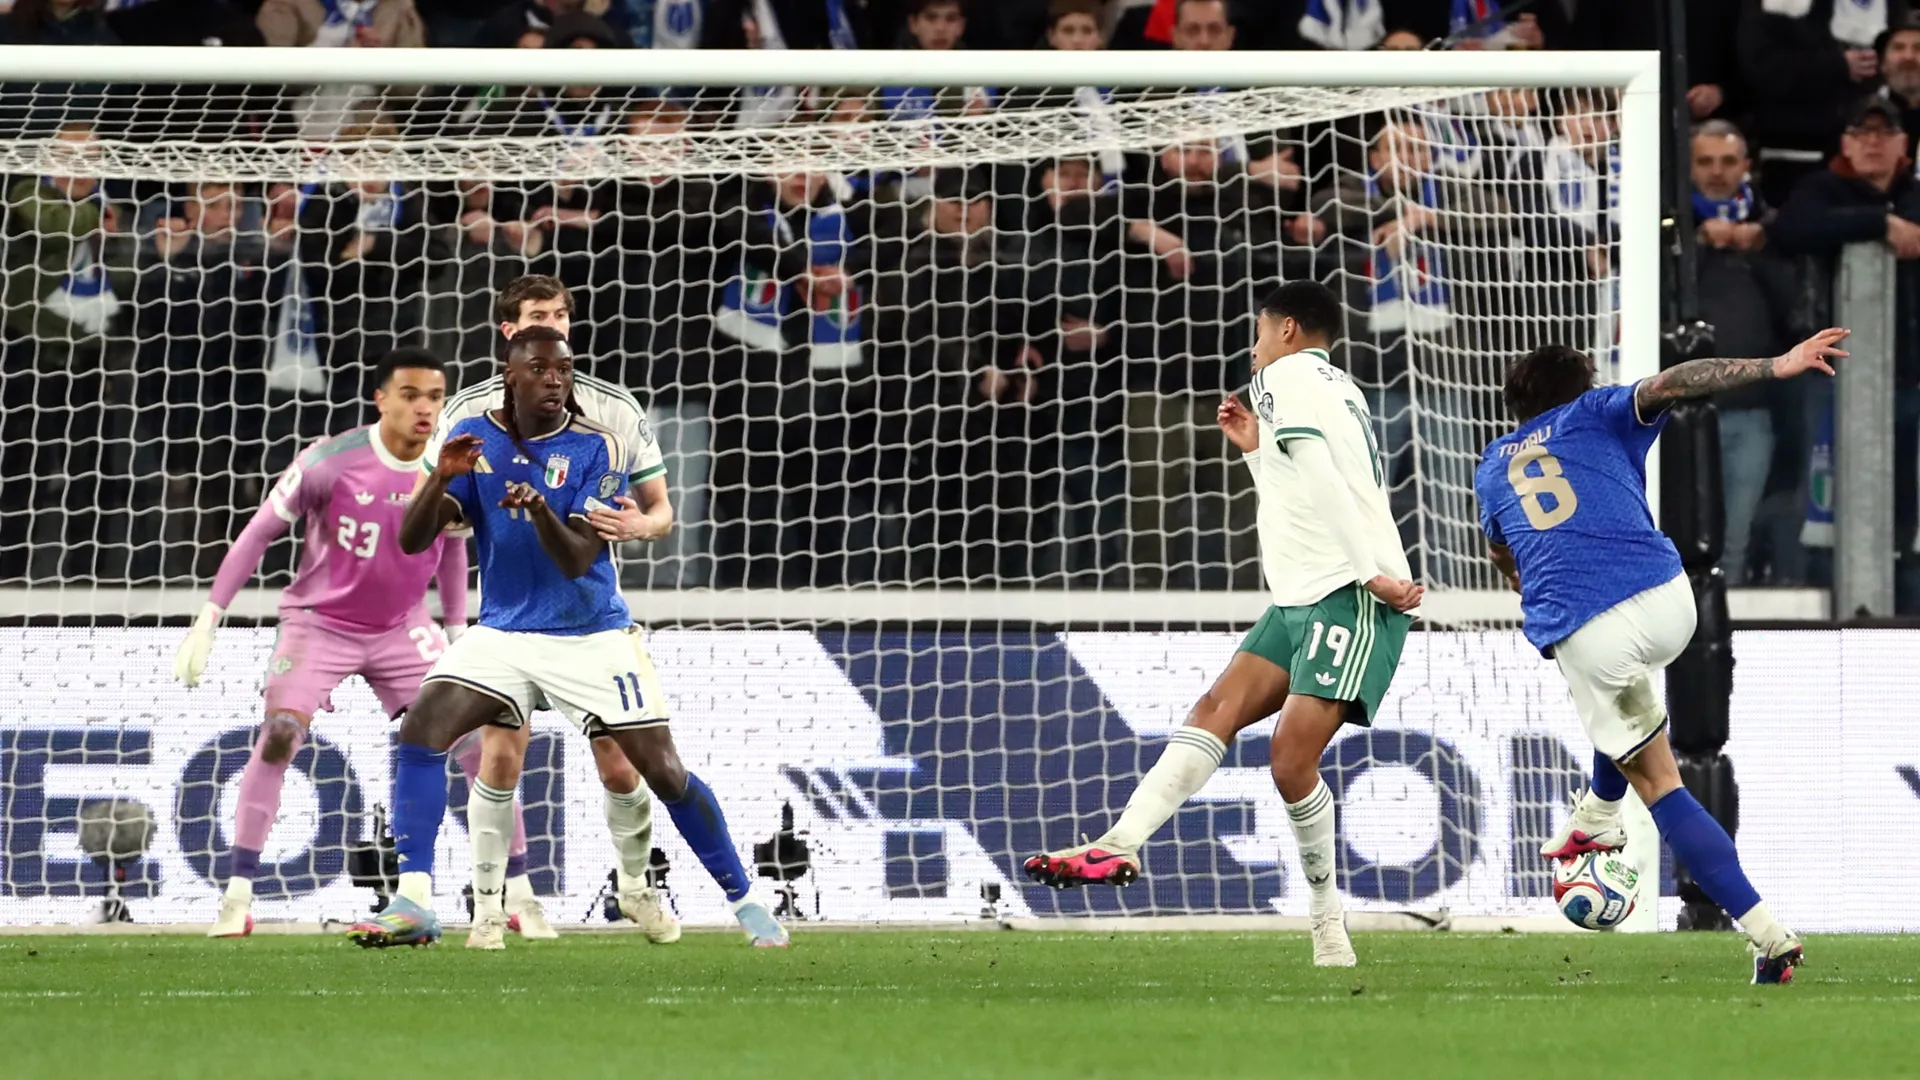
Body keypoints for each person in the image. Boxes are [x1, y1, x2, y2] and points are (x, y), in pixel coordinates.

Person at [1024, 282, 1423, 968]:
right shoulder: (1333, 385)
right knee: (1215, 708)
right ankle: (1118, 844)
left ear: (1290, 330)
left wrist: (1369, 573)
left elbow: (1327, 479)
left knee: (1291, 761)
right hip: (1303, 595)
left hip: (1348, 594)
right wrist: (1255, 451)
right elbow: (1304, 479)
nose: (1254, 345)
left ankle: (1328, 924)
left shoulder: (1283, 375)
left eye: (1261, 331)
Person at [350, 327, 785, 949]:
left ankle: (746, 902)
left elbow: (581, 556)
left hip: (590, 634)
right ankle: (414, 900)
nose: (555, 379)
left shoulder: (595, 449)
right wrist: (440, 477)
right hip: (505, 631)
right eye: (540, 369)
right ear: (511, 377)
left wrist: (540, 511)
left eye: (564, 369)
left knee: (662, 772)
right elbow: (412, 540)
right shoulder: (476, 442)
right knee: (421, 729)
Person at [1475, 331, 1843, 984]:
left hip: (1594, 628)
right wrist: (1773, 364)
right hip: (1669, 598)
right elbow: (1678, 381)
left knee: (1660, 781)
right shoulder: (1598, 411)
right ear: (1579, 390)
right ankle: (1595, 816)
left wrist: (1525, 576)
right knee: (1621, 709)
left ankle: (1768, 936)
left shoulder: (1493, 463)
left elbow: (1504, 552)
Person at [170, 350, 488, 937]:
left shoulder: (450, 467)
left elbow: (452, 547)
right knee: (280, 738)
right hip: (319, 623)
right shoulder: (329, 460)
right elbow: (259, 532)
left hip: (401, 625)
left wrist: (457, 633)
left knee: (472, 741)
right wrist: (210, 615)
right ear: (381, 399)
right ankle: (237, 897)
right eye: (412, 394)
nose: (425, 407)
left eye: (436, 396)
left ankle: (509, 893)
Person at [418, 274, 696, 941]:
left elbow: (660, 513)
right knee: (501, 758)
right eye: (540, 316)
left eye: (563, 315)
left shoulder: (611, 413)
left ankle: (635, 887)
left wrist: (642, 527)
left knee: (622, 762)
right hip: (512, 618)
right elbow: (439, 511)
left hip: (589, 618)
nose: (557, 325)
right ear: (509, 332)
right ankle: (492, 906)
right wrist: (464, 506)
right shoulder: (469, 414)